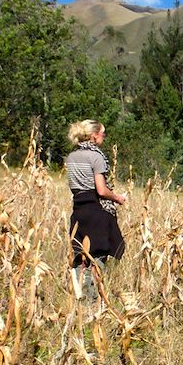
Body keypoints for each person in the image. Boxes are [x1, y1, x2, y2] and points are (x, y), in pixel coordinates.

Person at [66, 120, 127, 299]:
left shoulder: (72, 157)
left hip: (78, 210)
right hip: (96, 211)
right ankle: (91, 299)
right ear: (94, 136)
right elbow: (101, 190)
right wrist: (117, 198)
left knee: (79, 255)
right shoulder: (96, 157)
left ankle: (79, 296)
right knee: (97, 255)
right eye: (103, 134)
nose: (104, 137)